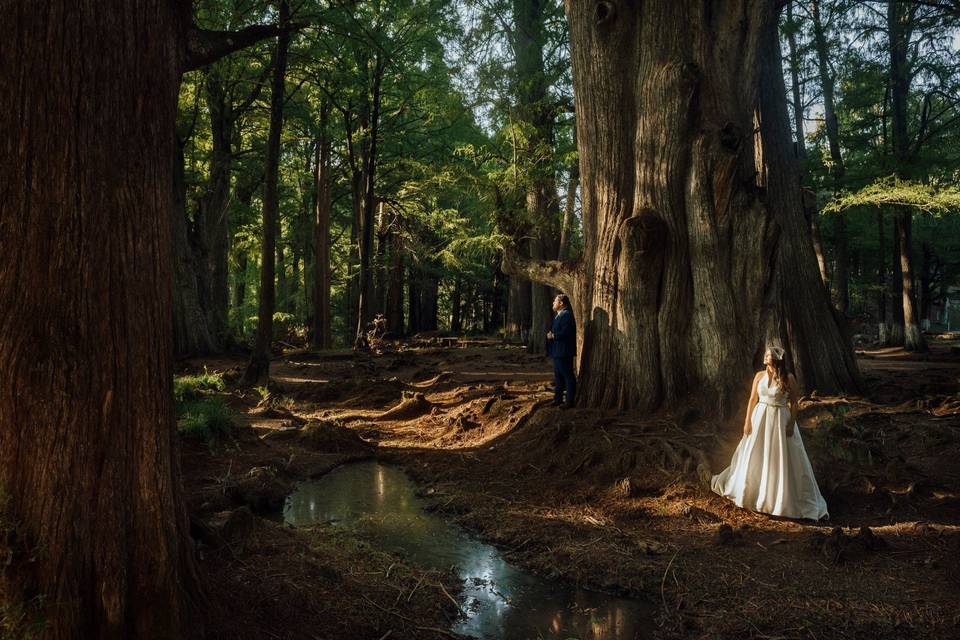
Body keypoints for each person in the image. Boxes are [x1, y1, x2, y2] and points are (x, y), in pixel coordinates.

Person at [711, 346, 828, 520]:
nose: (765, 357)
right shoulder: (759, 376)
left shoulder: (788, 378)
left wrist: (791, 423)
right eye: (765, 354)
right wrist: (747, 421)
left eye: (768, 355)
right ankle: (753, 494)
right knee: (756, 454)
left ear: (776, 360)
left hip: (780, 419)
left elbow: (795, 403)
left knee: (780, 456)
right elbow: (752, 399)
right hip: (760, 418)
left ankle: (779, 500)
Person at [546, 294, 576, 409]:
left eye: (555, 301)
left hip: (564, 351)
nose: (553, 303)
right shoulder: (559, 316)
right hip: (557, 351)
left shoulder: (567, 315)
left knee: (568, 376)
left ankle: (569, 402)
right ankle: (557, 400)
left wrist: (553, 336)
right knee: (558, 376)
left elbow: (567, 332)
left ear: (561, 303)